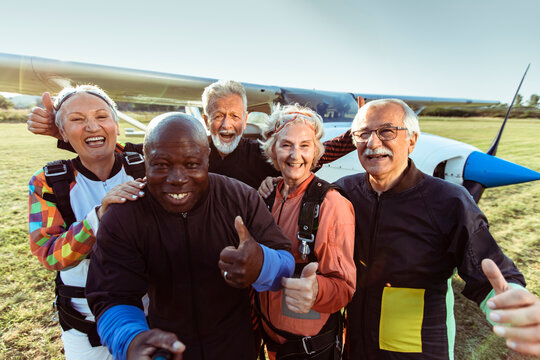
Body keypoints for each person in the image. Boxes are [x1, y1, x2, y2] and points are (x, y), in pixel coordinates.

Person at [335, 98, 540, 359]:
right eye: (363, 134)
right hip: (353, 349)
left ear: (412, 140)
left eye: (386, 131)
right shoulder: (343, 192)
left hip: (420, 351)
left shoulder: (449, 201)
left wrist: (516, 305)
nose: (373, 143)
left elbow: (489, 270)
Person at [85, 113, 296, 360]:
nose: (177, 178)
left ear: (207, 159)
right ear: (145, 160)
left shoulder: (241, 198)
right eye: (161, 165)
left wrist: (262, 264)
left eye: (191, 164)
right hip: (166, 352)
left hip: (237, 348)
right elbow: (112, 295)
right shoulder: (126, 214)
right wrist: (131, 339)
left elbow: (285, 261)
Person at [27, 80, 356, 189]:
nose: (227, 125)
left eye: (235, 116)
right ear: (204, 118)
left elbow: (310, 155)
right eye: (218, 116)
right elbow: (121, 150)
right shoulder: (184, 148)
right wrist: (61, 132)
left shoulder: (260, 152)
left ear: (246, 118)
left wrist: (360, 133)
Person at [28, 85, 146, 359]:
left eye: (102, 116)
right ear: (62, 133)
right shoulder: (48, 181)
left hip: (148, 316)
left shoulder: (144, 163)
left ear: (117, 124)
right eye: (77, 120)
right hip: (85, 329)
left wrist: (75, 128)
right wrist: (97, 219)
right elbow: (49, 253)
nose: (92, 126)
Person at [256, 104, 356, 359]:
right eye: (286, 145)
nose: (295, 155)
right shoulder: (267, 197)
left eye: (304, 146)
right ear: (272, 150)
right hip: (270, 341)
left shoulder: (331, 205)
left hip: (309, 349)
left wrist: (317, 290)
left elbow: (344, 286)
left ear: (315, 152)